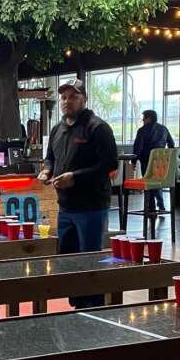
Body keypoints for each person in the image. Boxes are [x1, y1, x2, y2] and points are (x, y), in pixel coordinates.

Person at [37, 79, 118, 309]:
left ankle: (92, 307)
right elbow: (50, 157)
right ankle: (77, 304)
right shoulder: (57, 129)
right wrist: (46, 170)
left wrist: (75, 177)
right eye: (63, 97)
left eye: (73, 97)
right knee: (68, 258)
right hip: (66, 208)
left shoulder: (97, 128)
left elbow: (110, 165)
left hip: (91, 207)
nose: (67, 101)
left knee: (89, 259)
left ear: (84, 99)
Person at [132, 110, 175, 211]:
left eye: (144, 118)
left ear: (149, 118)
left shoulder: (142, 130)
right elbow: (171, 144)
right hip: (161, 163)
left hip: (146, 160)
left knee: (149, 182)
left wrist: (134, 161)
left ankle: (151, 207)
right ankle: (160, 205)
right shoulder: (164, 129)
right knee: (157, 182)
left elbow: (138, 147)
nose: (143, 120)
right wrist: (166, 158)